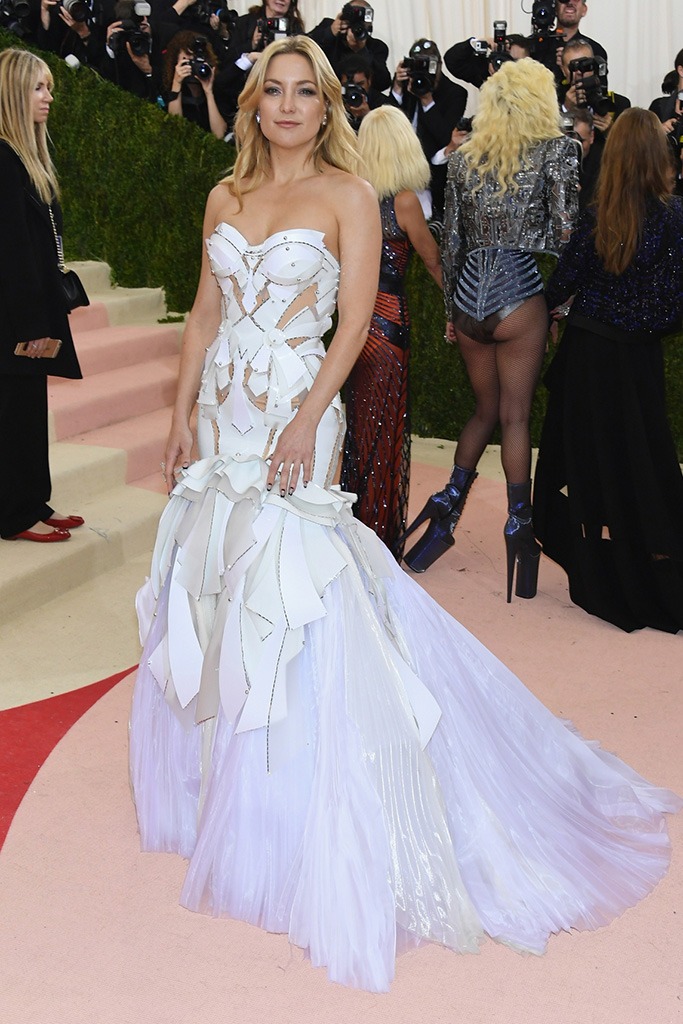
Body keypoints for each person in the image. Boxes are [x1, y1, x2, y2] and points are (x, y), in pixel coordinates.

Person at [129, 36, 680, 994]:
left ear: (327, 105)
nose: (290, 106)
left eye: (308, 92)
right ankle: (238, 789)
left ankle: (309, 795)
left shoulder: (347, 193)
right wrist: (180, 413)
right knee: (219, 576)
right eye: (276, 91)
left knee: (294, 586)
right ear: (254, 101)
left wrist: (308, 417)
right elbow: (207, 314)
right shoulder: (224, 198)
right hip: (224, 412)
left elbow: (351, 324)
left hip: (299, 407)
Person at [400, 58, 579, 597]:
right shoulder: (558, 151)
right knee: (515, 416)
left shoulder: (461, 161)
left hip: (469, 303)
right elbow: (569, 235)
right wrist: (560, 309)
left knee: (483, 411)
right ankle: (519, 526)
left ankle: (447, 507)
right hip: (520, 298)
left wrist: (453, 312)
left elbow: (450, 242)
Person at [533, 108, 683, 633]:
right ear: (659, 158)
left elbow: (561, 284)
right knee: (641, 455)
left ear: (614, 156)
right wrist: (646, 324)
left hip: (591, 356)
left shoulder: (599, 217)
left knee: (590, 459)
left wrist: (555, 311)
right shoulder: (676, 218)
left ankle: (597, 564)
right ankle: (651, 560)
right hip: (637, 359)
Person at [340, 106, 442, 558]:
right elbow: (434, 261)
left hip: (351, 327)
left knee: (356, 429)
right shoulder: (403, 201)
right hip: (388, 326)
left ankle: (350, 528)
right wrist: (457, 311)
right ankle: (377, 538)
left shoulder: (350, 196)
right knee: (383, 431)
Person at [0, 49, 83, 543]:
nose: (48, 96)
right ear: (14, 93)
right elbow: (10, 252)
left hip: (32, 308)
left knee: (29, 410)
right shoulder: (4, 161)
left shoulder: (24, 158)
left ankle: (33, 501)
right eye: (39, 87)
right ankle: (14, 514)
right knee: (13, 414)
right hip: (16, 316)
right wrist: (33, 325)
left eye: (49, 87)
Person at [389, 39, 467, 222]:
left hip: (434, 177)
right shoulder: (408, 85)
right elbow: (389, 124)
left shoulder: (455, 93)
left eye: (428, 65)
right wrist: (397, 89)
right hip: (399, 170)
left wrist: (427, 101)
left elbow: (446, 138)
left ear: (439, 65)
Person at [308, 0, 391, 92]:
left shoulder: (376, 47)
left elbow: (383, 83)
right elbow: (302, 45)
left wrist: (361, 51)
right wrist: (330, 32)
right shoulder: (328, 27)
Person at [162, 30, 228, 139]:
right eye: (187, 62)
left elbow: (220, 135)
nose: (193, 67)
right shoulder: (169, 88)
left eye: (196, 61)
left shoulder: (216, 88)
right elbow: (175, 130)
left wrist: (208, 93)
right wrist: (176, 84)